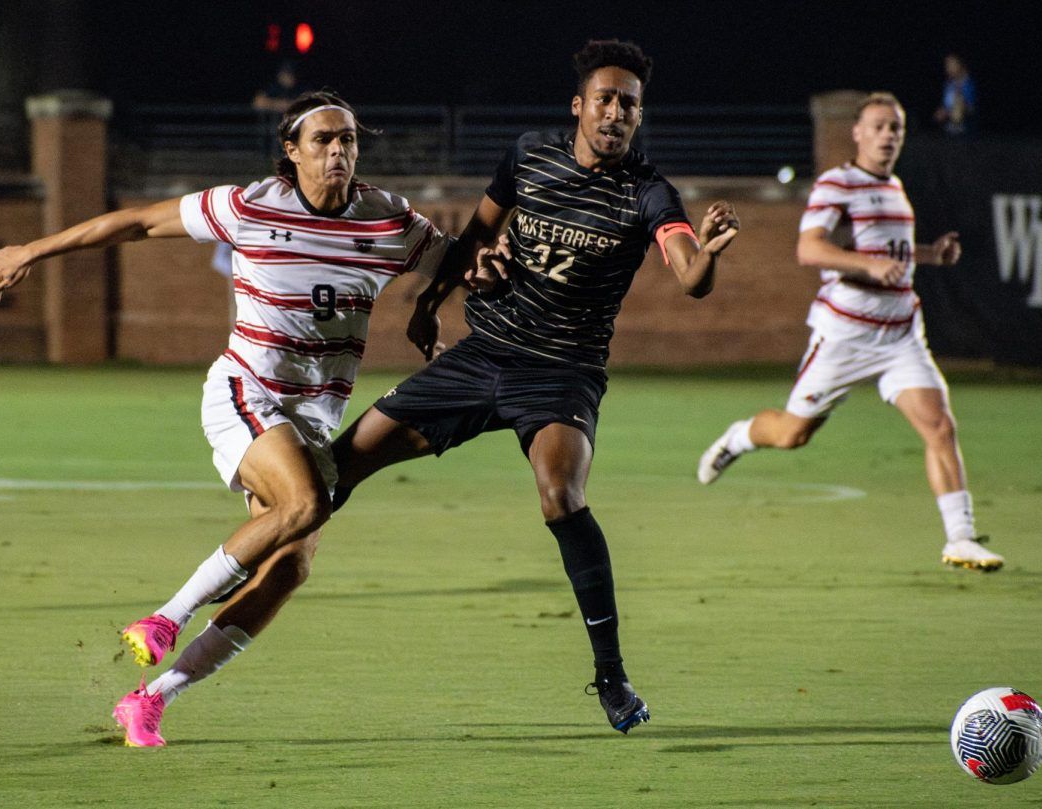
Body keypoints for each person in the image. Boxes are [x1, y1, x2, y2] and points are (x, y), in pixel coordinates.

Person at [0, 91, 450, 746]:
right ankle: (165, 619)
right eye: (323, 139)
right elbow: (140, 223)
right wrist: (34, 248)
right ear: (292, 151)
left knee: (290, 568)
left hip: (313, 419)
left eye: (348, 139)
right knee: (306, 501)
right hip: (247, 394)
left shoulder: (387, 220)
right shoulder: (250, 204)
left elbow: (461, 263)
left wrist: (433, 301)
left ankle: (149, 697)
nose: (340, 150)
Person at [328, 39, 740, 734]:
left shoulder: (648, 193)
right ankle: (238, 578)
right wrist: (430, 304)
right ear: (578, 106)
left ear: (640, 117)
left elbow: (688, 272)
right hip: (483, 352)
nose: (616, 113)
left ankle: (611, 676)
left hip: (561, 373)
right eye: (605, 99)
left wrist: (706, 257)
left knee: (561, 497)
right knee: (340, 465)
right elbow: (475, 235)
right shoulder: (529, 156)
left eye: (629, 105)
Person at [696, 92, 1003, 573]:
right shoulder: (837, 184)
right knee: (793, 434)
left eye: (896, 128)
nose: (888, 136)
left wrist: (927, 255)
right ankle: (740, 437)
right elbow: (810, 250)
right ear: (857, 133)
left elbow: (887, 255)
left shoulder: (895, 186)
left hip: (900, 333)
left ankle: (960, 538)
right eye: (879, 126)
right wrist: (866, 264)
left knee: (940, 426)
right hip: (845, 336)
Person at [933, 53, 976, 136]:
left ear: (960, 65)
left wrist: (956, 109)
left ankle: (958, 126)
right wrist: (943, 110)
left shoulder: (968, 83)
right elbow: (946, 102)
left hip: (966, 118)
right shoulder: (948, 84)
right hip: (950, 117)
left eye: (952, 65)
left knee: (958, 100)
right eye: (947, 65)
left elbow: (971, 106)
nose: (948, 68)